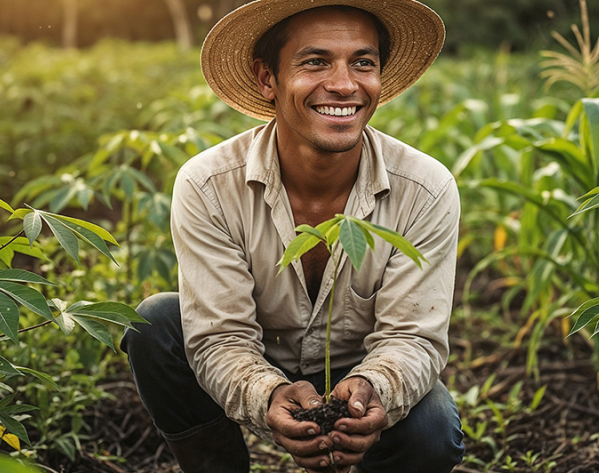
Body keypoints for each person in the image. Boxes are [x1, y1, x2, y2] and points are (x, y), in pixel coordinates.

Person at [121, 1, 464, 472]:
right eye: (315, 62)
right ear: (268, 79)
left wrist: (375, 387)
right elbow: (220, 335)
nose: (344, 84)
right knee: (155, 323)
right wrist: (268, 394)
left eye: (363, 62)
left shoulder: (426, 188)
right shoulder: (209, 184)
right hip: (257, 353)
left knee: (433, 430)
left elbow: (412, 337)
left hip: (361, 370)